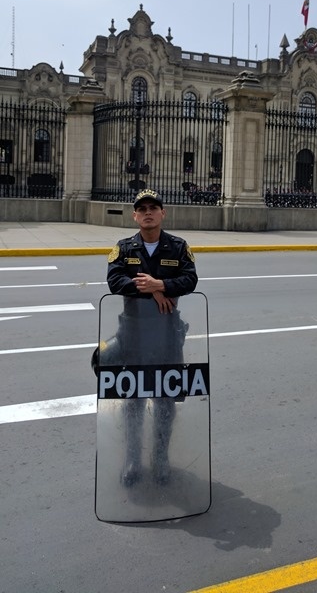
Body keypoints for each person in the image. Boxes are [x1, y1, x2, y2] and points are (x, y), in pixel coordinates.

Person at [105, 188, 198, 487]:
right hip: (133, 336)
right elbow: (114, 280)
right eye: (142, 209)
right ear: (135, 216)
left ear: (162, 213)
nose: (148, 212)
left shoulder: (177, 247)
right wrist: (153, 289)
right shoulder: (124, 248)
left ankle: (160, 458)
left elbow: (190, 279)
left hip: (166, 335)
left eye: (153, 208)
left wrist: (162, 284)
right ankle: (133, 459)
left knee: (165, 401)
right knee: (133, 400)